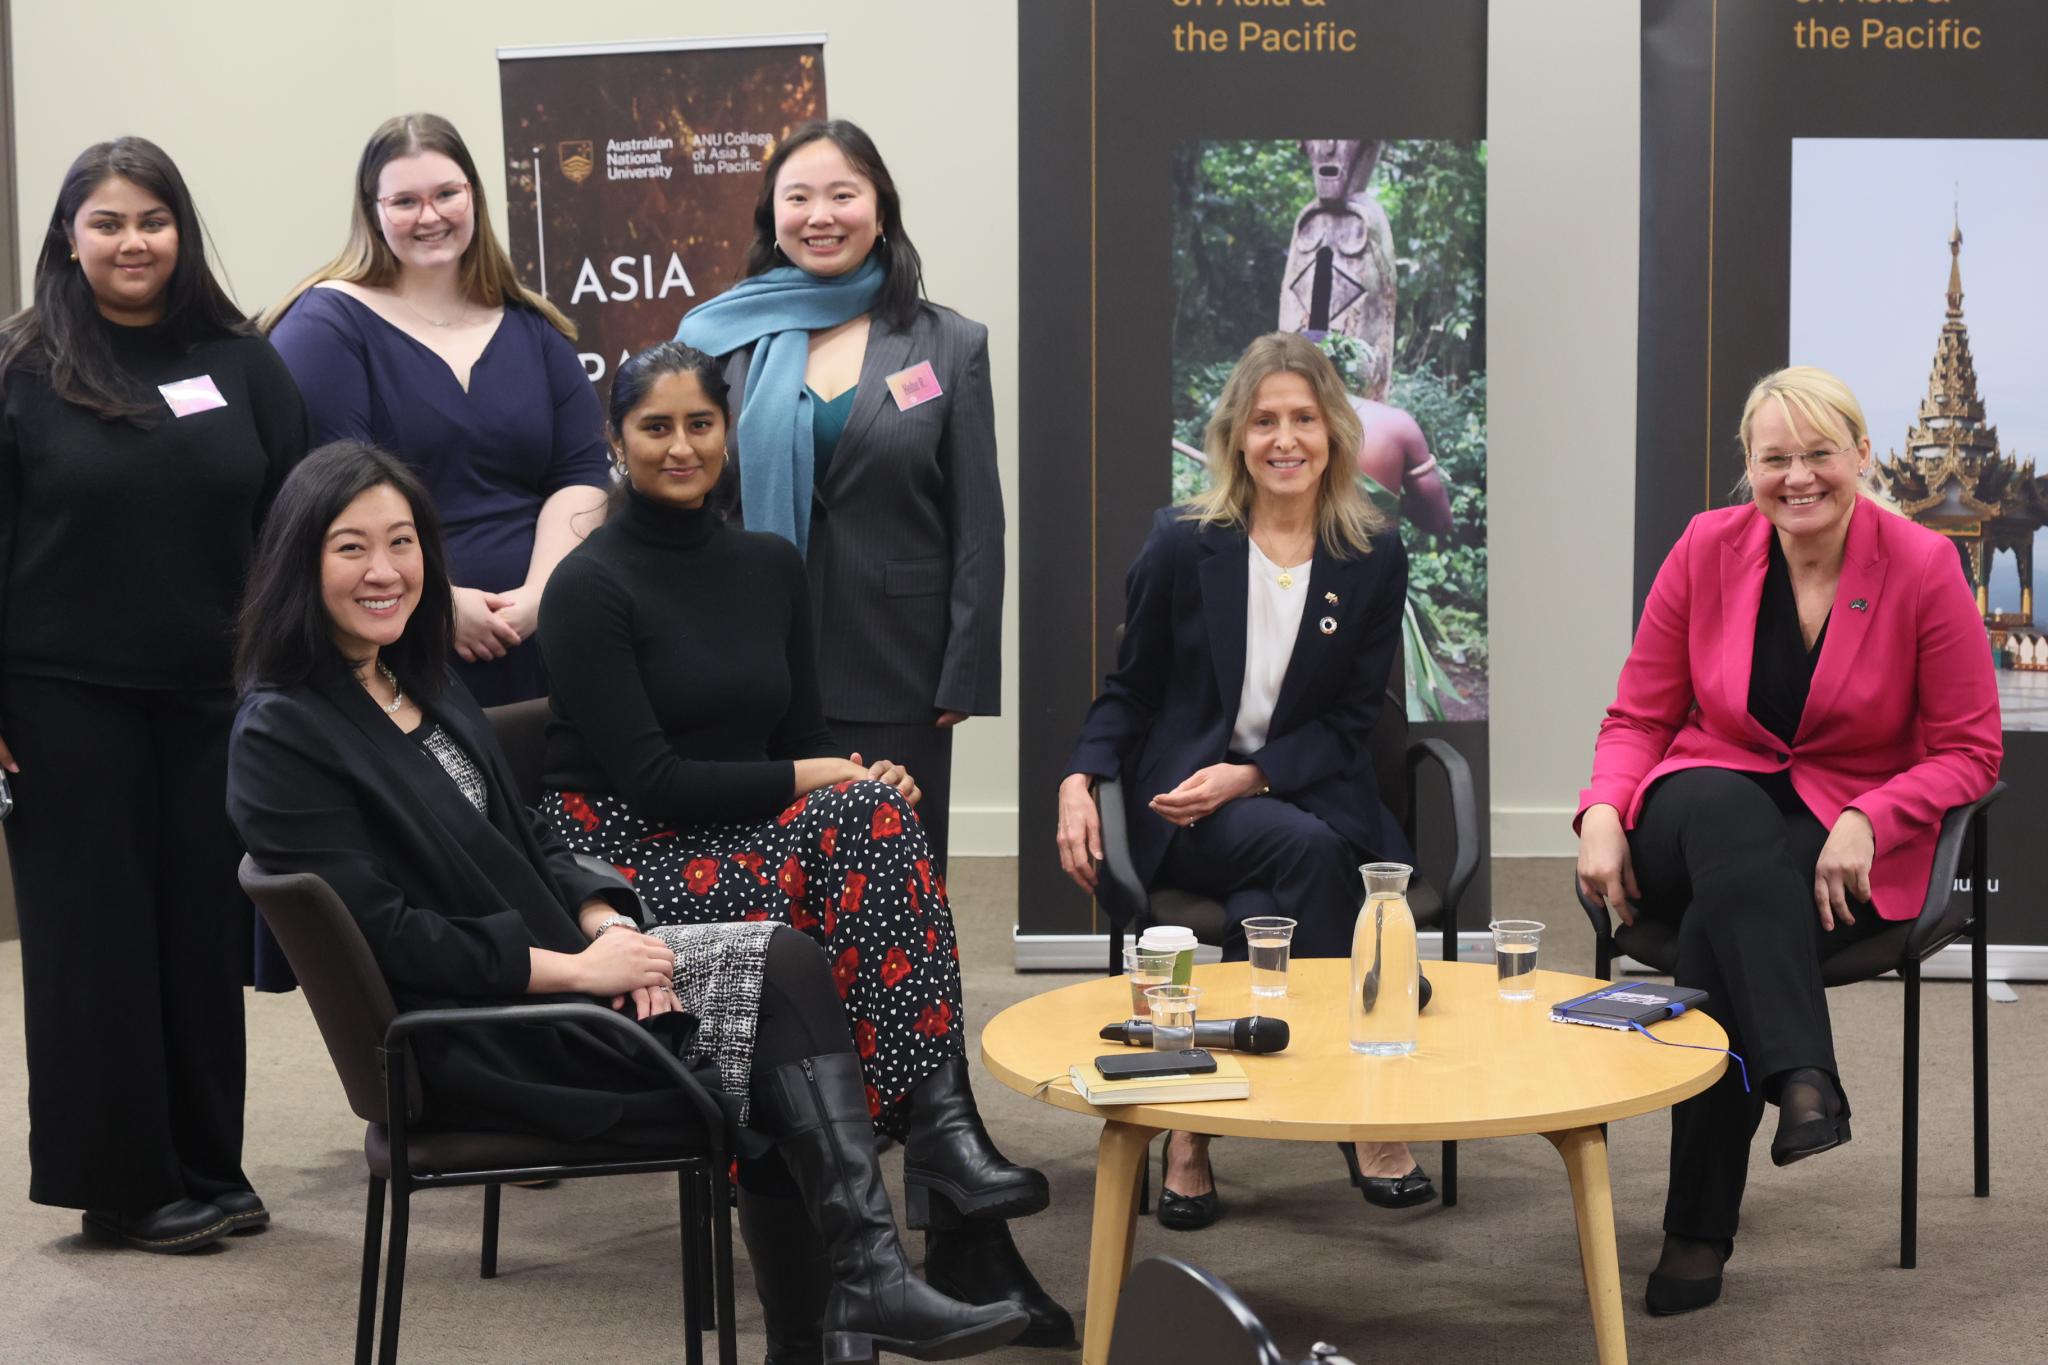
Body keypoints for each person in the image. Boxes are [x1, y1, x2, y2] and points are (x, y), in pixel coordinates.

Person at [225, 442, 1028, 1362]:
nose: (385, 571)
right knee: (782, 983)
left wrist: (611, 921)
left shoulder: (416, 684)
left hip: (567, 979)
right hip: (477, 1032)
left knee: (778, 1000)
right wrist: (579, 967)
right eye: (351, 548)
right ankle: (856, 1295)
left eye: (402, 543)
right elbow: (387, 938)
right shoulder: (282, 731)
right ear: (299, 560)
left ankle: (853, 1297)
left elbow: (531, 840)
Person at [534, 341, 1070, 1347]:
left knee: (878, 813)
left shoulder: (768, 565)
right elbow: (653, 781)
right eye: (654, 427)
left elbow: (803, 740)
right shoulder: (588, 586)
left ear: (727, 432)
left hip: (740, 832)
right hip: (624, 853)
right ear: (615, 441)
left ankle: (878, 1242)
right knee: (856, 826)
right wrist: (826, 784)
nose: (681, 446)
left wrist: (858, 776)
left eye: (700, 424)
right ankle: (933, 1156)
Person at [1574, 366, 2001, 1314]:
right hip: (1689, 813)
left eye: (1819, 454)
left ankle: (1695, 1234)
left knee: (1717, 935)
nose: (1798, 477)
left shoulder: (1923, 565)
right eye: (1776, 458)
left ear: (1861, 455)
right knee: (1727, 812)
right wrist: (1603, 808)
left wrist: (1871, 815)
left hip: (1823, 832)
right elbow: (1637, 717)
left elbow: (1971, 750)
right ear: (1749, 467)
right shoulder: (1706, 548)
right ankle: (1803, 1073)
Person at [0, 137, 307, 1252]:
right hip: (58, 701)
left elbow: (297, 518)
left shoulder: (240, 362)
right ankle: (122, 1184)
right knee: (95, 944)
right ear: (69, 239)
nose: (133, 243)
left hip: (212, 699)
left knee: (196, 935)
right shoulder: (22, 368)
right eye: (108, 223)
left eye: (153, 221)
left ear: (182, 232)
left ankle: (206, 1162)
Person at [1057, 331, 1433, 1230]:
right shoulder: (1184, 544)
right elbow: (1133, 687)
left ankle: (1194, 1126)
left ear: (1335, 432)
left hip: (1308, 785)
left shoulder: (1372, 553)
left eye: (1304, 418)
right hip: (1188, 800)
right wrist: (1081, 775)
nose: (1285, 439)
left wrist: (1254, 775)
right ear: (1235, 436)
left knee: (1283, 883)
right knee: (1311, 855)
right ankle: (1359, 1108)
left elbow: (1351, 723)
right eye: (1264, 420)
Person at [676, 119, 1003, 874]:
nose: (820, 215)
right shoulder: (717, 341)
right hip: (748, 659)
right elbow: (690, 499)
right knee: (772, 875)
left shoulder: (949, 343)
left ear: (880, 211)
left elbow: (978, 521)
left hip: (898, 663)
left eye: (842, 194)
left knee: (900, 879)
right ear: (773, 215)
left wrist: (966, 670)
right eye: (799, 197)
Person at [264, 113, 608, 706]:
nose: (430, 216)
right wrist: (439, 605)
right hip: (398, 649)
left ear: (473, 195)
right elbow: (332, 501)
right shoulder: (325, 328)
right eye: (405, 201)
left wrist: (541, 595)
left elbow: (579, 472)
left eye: (447, 194)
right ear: (372, 210)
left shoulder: (532, 326)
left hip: (543, 638)